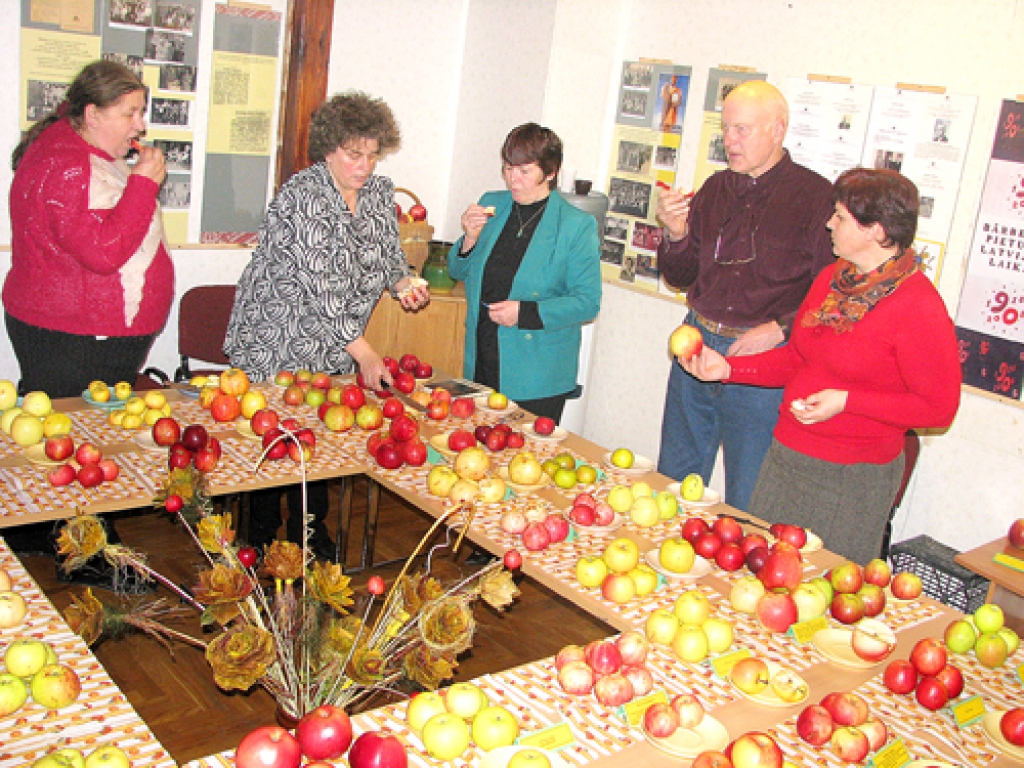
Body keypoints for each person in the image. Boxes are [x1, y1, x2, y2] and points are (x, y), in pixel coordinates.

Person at [680, 168, 961, 564]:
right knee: (757, 573)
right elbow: (797, 358)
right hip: (787, 458)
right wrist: (728, 369)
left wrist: (847, 401)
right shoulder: (832, 279)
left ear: (876, 231)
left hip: (852, 481)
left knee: (824, 592)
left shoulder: (918, 306)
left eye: (841, 217)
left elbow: (938, 408)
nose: (829, 223)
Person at [224, 91, 429, 561]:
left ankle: (309, 536)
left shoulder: (379, 194)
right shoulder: (304, 196)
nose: (364, 165)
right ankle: (258, 540)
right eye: (353, 154)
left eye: (372, 155)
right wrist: (367, 353)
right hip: (277, 336)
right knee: (275, 438)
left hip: (336, 342)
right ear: (328, 148)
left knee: (318, 441)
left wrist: (403, 282)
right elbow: (323, 289)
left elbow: (388, 255)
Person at [3, 60, 171, 573]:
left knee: (61, 433)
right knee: (83, 444)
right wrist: (143, 183)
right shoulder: (71, 164)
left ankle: (39, 531)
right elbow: (102, 251)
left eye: (141, 111)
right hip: (76, 331)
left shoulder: (72, 148)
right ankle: (90, 555)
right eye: (130, 112)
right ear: (92, 113)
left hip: (72, 326)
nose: (140, 124)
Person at [655, 80, 835, 510]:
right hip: (696, 341)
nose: (729, 141)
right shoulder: (716, 188)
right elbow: (679, 275)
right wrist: (676, 233)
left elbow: (831, 291)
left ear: (778, 129)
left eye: (742, 130)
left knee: (750, 495)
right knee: (674, 480)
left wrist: (781, 328)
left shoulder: (816, 197)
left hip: (762, 359)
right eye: (726, 129)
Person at [448, 123, 601, 423]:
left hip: (536, 373)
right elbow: (457, 270)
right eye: (507, 169)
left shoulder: (576, 225)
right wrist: (469, 238)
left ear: (552, 171)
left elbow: (587, 302)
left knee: (523, 464)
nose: (512, 180)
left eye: (524, 171)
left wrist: (525, 312)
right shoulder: (493, 204)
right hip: (483, 357)